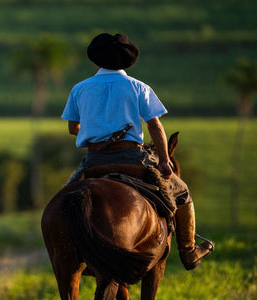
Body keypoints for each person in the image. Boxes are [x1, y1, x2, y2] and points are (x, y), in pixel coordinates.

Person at [61, 32, 213, 270]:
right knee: (182, 192)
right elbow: (155, 126)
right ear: (126, 60)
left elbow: (73, 128)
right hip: (132, 158)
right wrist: (164, 162)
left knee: (64, 200)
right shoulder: (138, 87)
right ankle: (188, 251)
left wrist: (94, 125)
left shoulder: (80, 89)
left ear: (96, 60)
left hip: (94, 161)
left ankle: (69, 251)